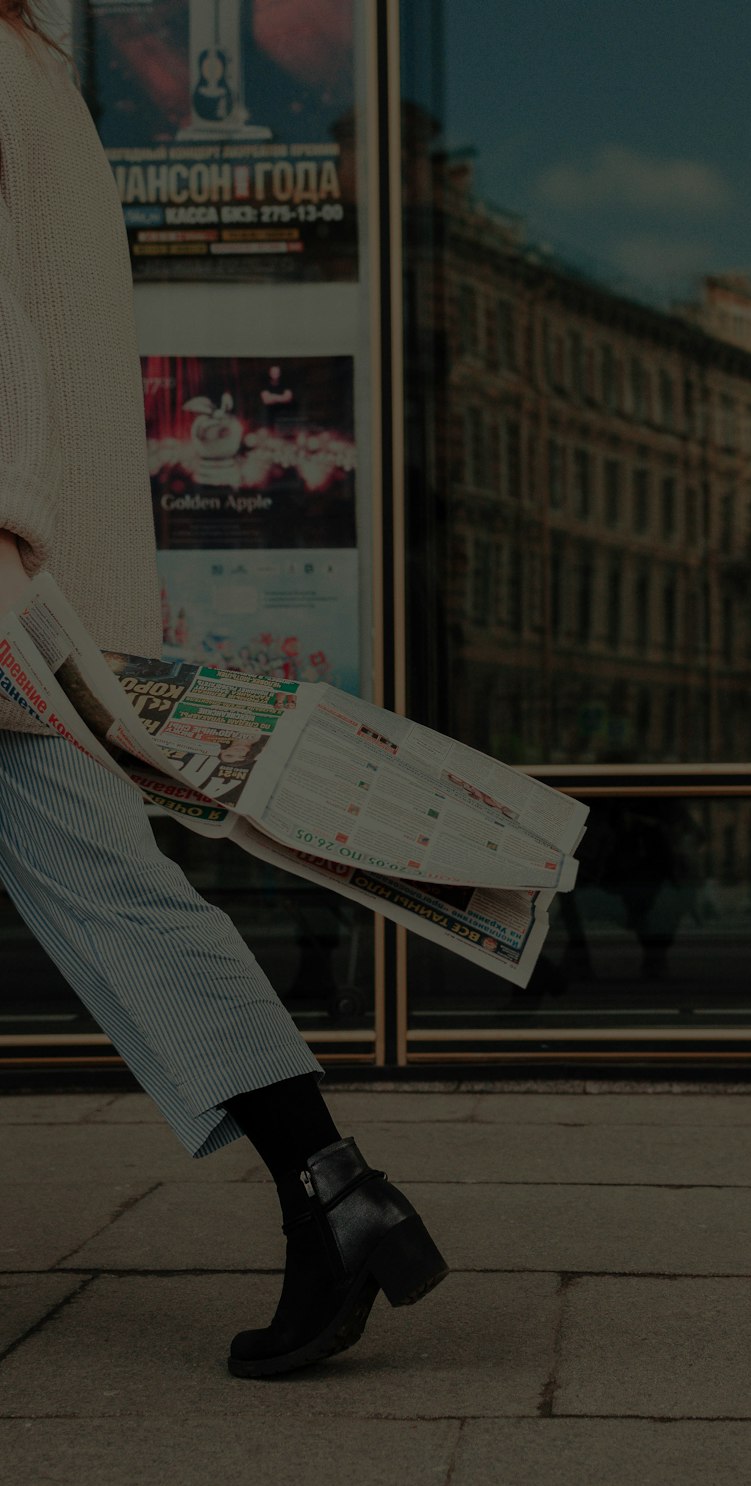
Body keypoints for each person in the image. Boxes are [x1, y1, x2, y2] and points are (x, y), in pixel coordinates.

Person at [0, 2, 447, 1379]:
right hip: (41, 590)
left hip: (16, 582)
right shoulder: (34, 70)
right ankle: (337, 1192)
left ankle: (339, 1193)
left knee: (122, 899)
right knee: (125, 900)